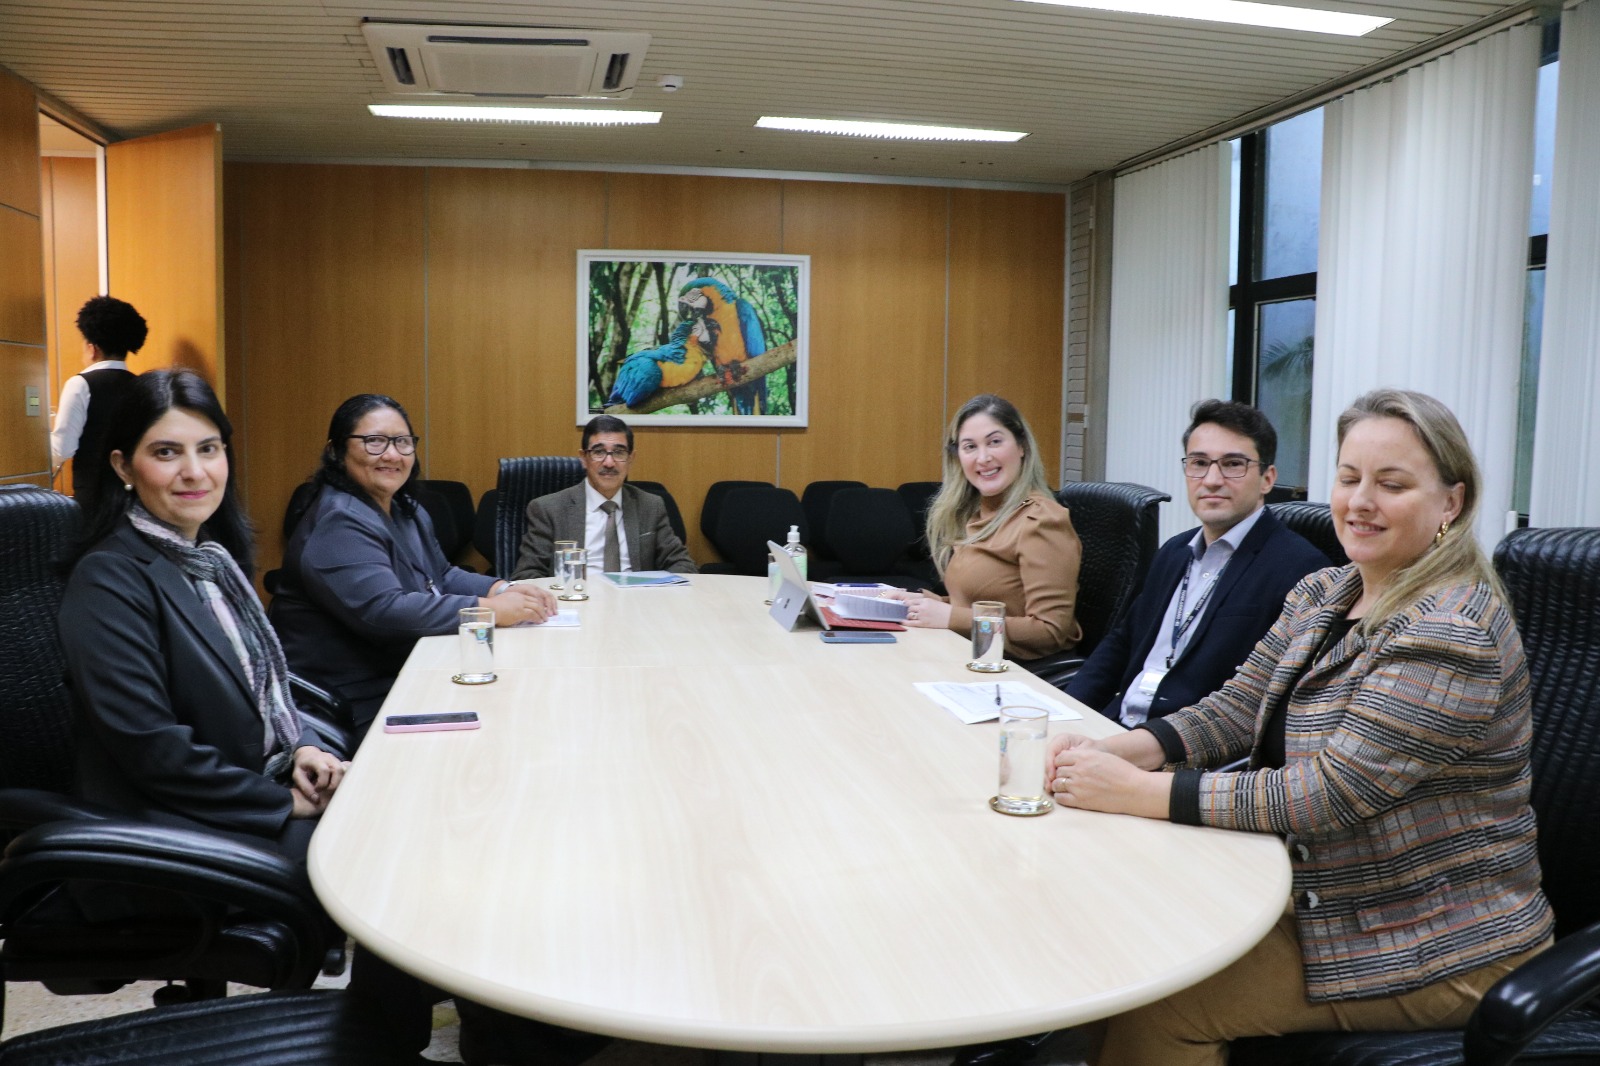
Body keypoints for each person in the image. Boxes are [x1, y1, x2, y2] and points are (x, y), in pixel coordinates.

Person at [1047, 389, 1552, 1065]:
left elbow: (1328, 794)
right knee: (1127, 947)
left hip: (1436, 938)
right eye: (1349, 478)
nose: (1360, 501)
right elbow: (1235, 706)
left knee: (1167, 1004)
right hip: (1317, 891)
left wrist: (1133, 791)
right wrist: (1117, 750)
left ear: (1451, 504)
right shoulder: (1327, 592)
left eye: (1392, 484)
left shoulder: (1449, 629)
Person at [58, 368, 345, 863]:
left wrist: (305, 748)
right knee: (368, 850)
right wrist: (280, 802)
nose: (195, 471)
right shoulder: (108, 579)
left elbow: (259, 686)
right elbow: (154, 750)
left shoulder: (211, 561)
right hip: (166, 836)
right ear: (124, 468)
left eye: (208, 449)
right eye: (167, 452)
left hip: (240, 792)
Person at [271, 394, 556, 737]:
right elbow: (386, 610)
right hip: (352, 700)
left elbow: (443, 574)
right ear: (336, 451)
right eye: (374, 442)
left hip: (407, 669)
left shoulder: (406, 509)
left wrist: (505, 589)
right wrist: (490, 610)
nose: (392, 454)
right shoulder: (338, 521)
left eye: (402, 442)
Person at [1066, 399, 1331, 726]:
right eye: (1199, 462)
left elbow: (1259, 705)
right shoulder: (1174, 552)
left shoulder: (1300, 570)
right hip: (1114, 727)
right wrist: (1064, 713)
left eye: (1233, 464)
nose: (1211, 479)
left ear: (1267, 478)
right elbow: (1121, 645)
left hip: (1184, 754)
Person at [887, 394, 1080, 660]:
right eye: (970, 447)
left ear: (1022, 446)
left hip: (1013, 671)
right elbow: (980, 606)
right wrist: (926, 605)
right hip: (969, 654)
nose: (983, 457)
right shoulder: (978, 513)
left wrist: (950, 616)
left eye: (995, 442)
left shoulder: (1042, 520)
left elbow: (1049, 631)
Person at [509, 414, 696, 580]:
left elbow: (683, 566)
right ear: (583, 458)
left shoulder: (650, 505)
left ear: (630, 458)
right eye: (598, 452)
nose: (609, 462)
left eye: (619, 452)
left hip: (636, 606)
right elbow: (527, 576)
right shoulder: (549, 509)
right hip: (577, 604)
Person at [50, 295, 146, 503]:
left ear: (93, 348)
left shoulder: (80, 385)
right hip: (137, 496)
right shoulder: (143, 386)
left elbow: (62, 448)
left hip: (94, 498)